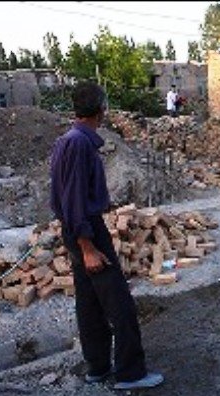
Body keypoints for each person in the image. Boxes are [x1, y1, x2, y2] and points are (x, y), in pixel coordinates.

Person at [50, 81, 164, 390]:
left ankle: (97, 367)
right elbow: (73, 199)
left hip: (78, 230)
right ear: (102, 109)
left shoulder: (69, 140)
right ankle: (131, 373)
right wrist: (88, 247)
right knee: (120, 304)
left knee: (89, 303)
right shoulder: (79, 144)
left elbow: (71, 193)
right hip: (85, 231)